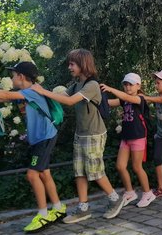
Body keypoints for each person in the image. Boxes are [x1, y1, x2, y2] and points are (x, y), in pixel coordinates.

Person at [0, 62, 66, 233]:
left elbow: (5, 95)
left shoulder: (32, 91)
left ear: (21, 77)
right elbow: (2, 97)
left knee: (32, 175)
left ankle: (42, 214)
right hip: (43, 137)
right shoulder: (27, 92)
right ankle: (58, 207)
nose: (11, 78)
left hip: (44, 138)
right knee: (44, 173)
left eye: (13, 75)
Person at [32, 49, 124, 223]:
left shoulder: (92, 85)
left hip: (94, 134)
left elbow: (69, 101)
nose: (69, 67)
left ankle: (115, 199)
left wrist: (43, 91)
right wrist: (38, 94)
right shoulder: (77, 84)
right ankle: (83, 208)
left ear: (83, 64)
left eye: (72, 64)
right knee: (79, 171)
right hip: (81, 133)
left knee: (95, 172)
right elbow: (62, 96)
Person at [100, 73, 156, 208]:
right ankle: (130, 192)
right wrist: (92, 98)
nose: (127, 87)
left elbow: (125, 97)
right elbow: (108, 103)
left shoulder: (140, 98)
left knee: (137, 167)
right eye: (125, 84)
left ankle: (148, 193)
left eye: (130, 84)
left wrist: (111, 89)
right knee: (120, 166)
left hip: (138, 136)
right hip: (126, 137)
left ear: (138, 86)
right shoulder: (123, 99)